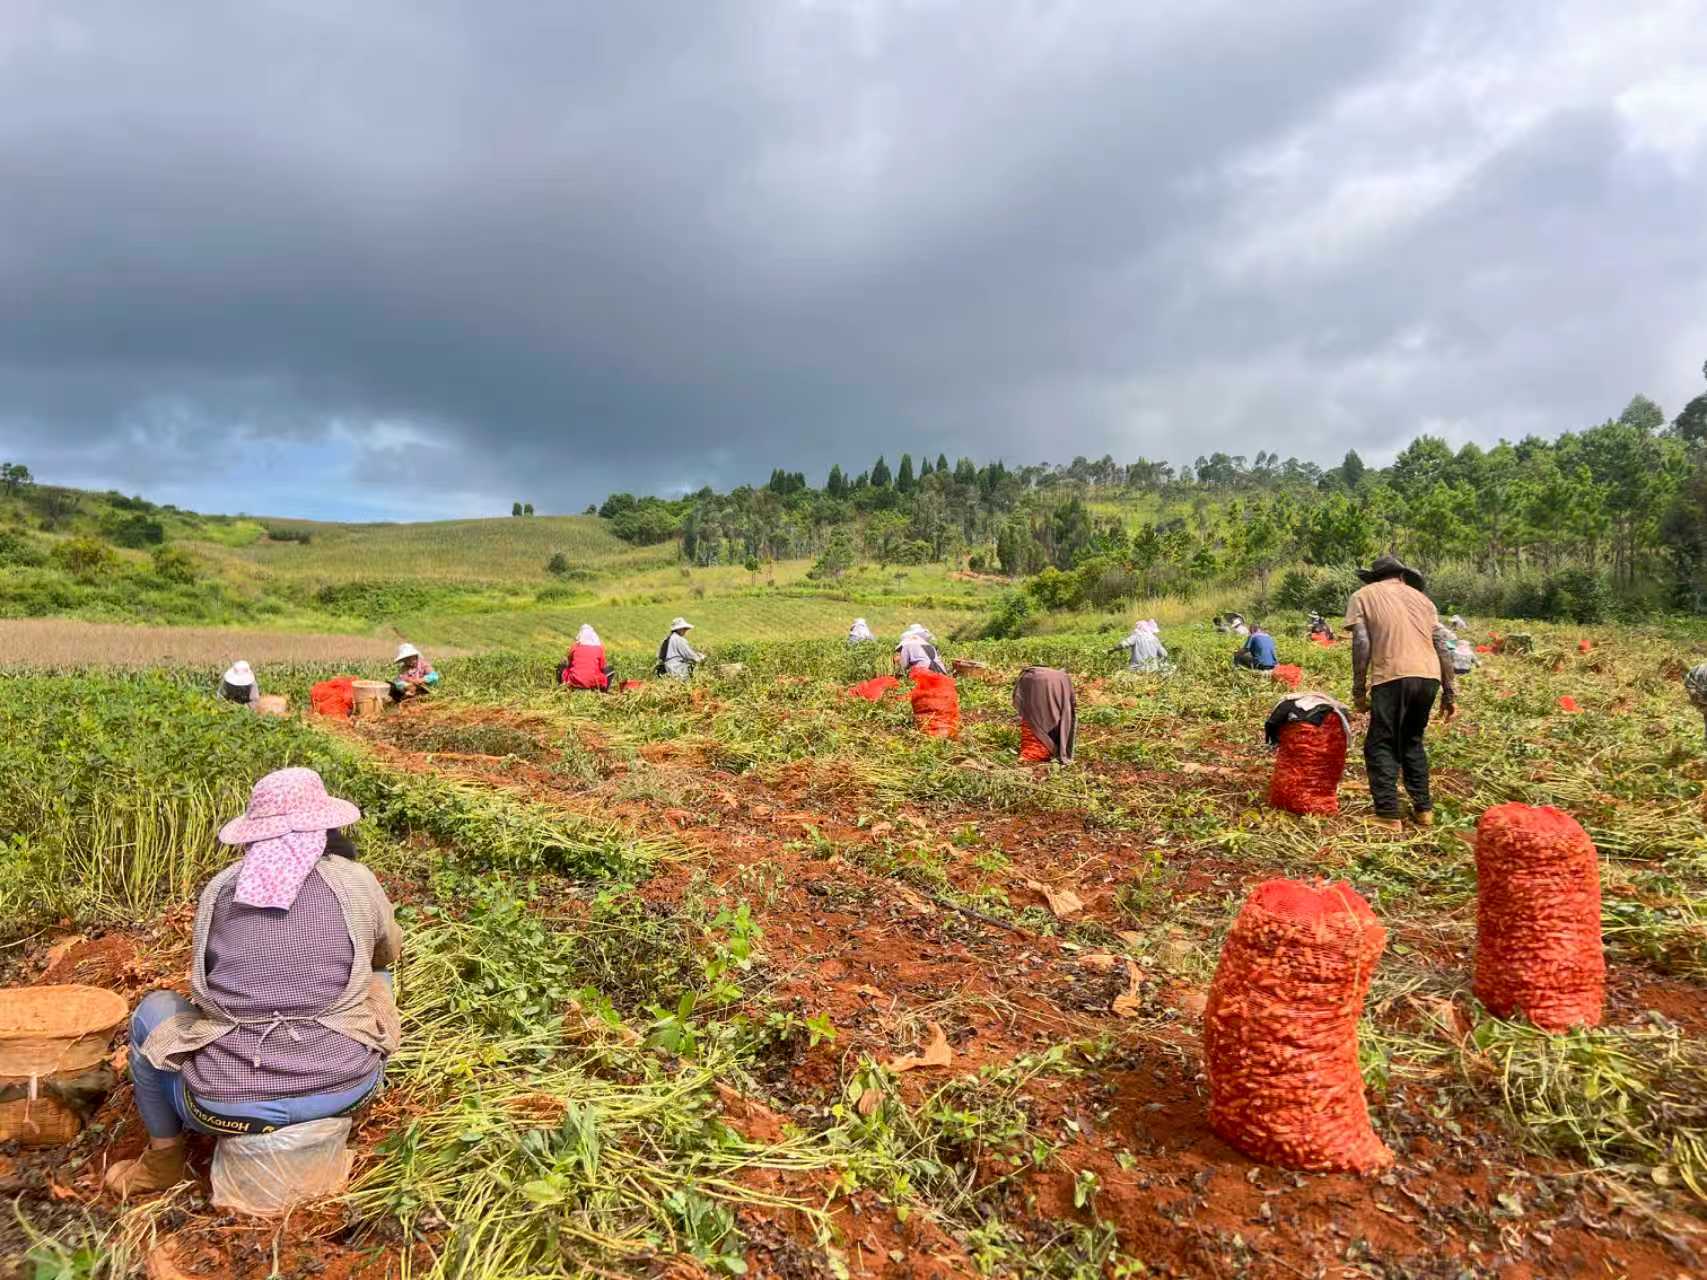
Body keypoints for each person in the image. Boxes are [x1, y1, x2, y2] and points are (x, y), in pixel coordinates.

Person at [105, 768, 401, 1196]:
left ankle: (164, 1159)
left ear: (254, 834)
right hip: (348, 1090)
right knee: (379, 975)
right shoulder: (355, 880)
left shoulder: (222, 888)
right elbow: (387, 951)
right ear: (325, 824)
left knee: (152, 1012)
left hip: (222, 1107)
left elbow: (204, 985)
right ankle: (332, 1091)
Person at [1345, 554, 1457, 829]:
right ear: (1403, 577)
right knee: (1411, 741)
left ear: (1374, 577)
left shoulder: (1363, 595)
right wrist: (1450, 691)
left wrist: (1359, 689)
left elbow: (1361, 642)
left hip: (1392, 675)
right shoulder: (1424, 600)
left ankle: (1387, 813)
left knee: (1380, 742)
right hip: (1429, 675)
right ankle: (1423, 809)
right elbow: (1442, 645)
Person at [1013, 667, 1076, 764]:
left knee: (1036, 718)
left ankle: (1042, 749)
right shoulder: (1060, 679)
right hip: (1056, 682)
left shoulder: (1033, 679)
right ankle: (1046, 748)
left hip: (1038, 681)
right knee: (1040, 717)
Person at [559, 624, 613, 691]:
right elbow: (602, 667)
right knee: (610, 670)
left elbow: (569, 664)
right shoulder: (599, 648)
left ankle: (562, 687)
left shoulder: (575, 647)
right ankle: (604, 691)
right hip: (594, 682)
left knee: (561, 666)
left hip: (573, 681)